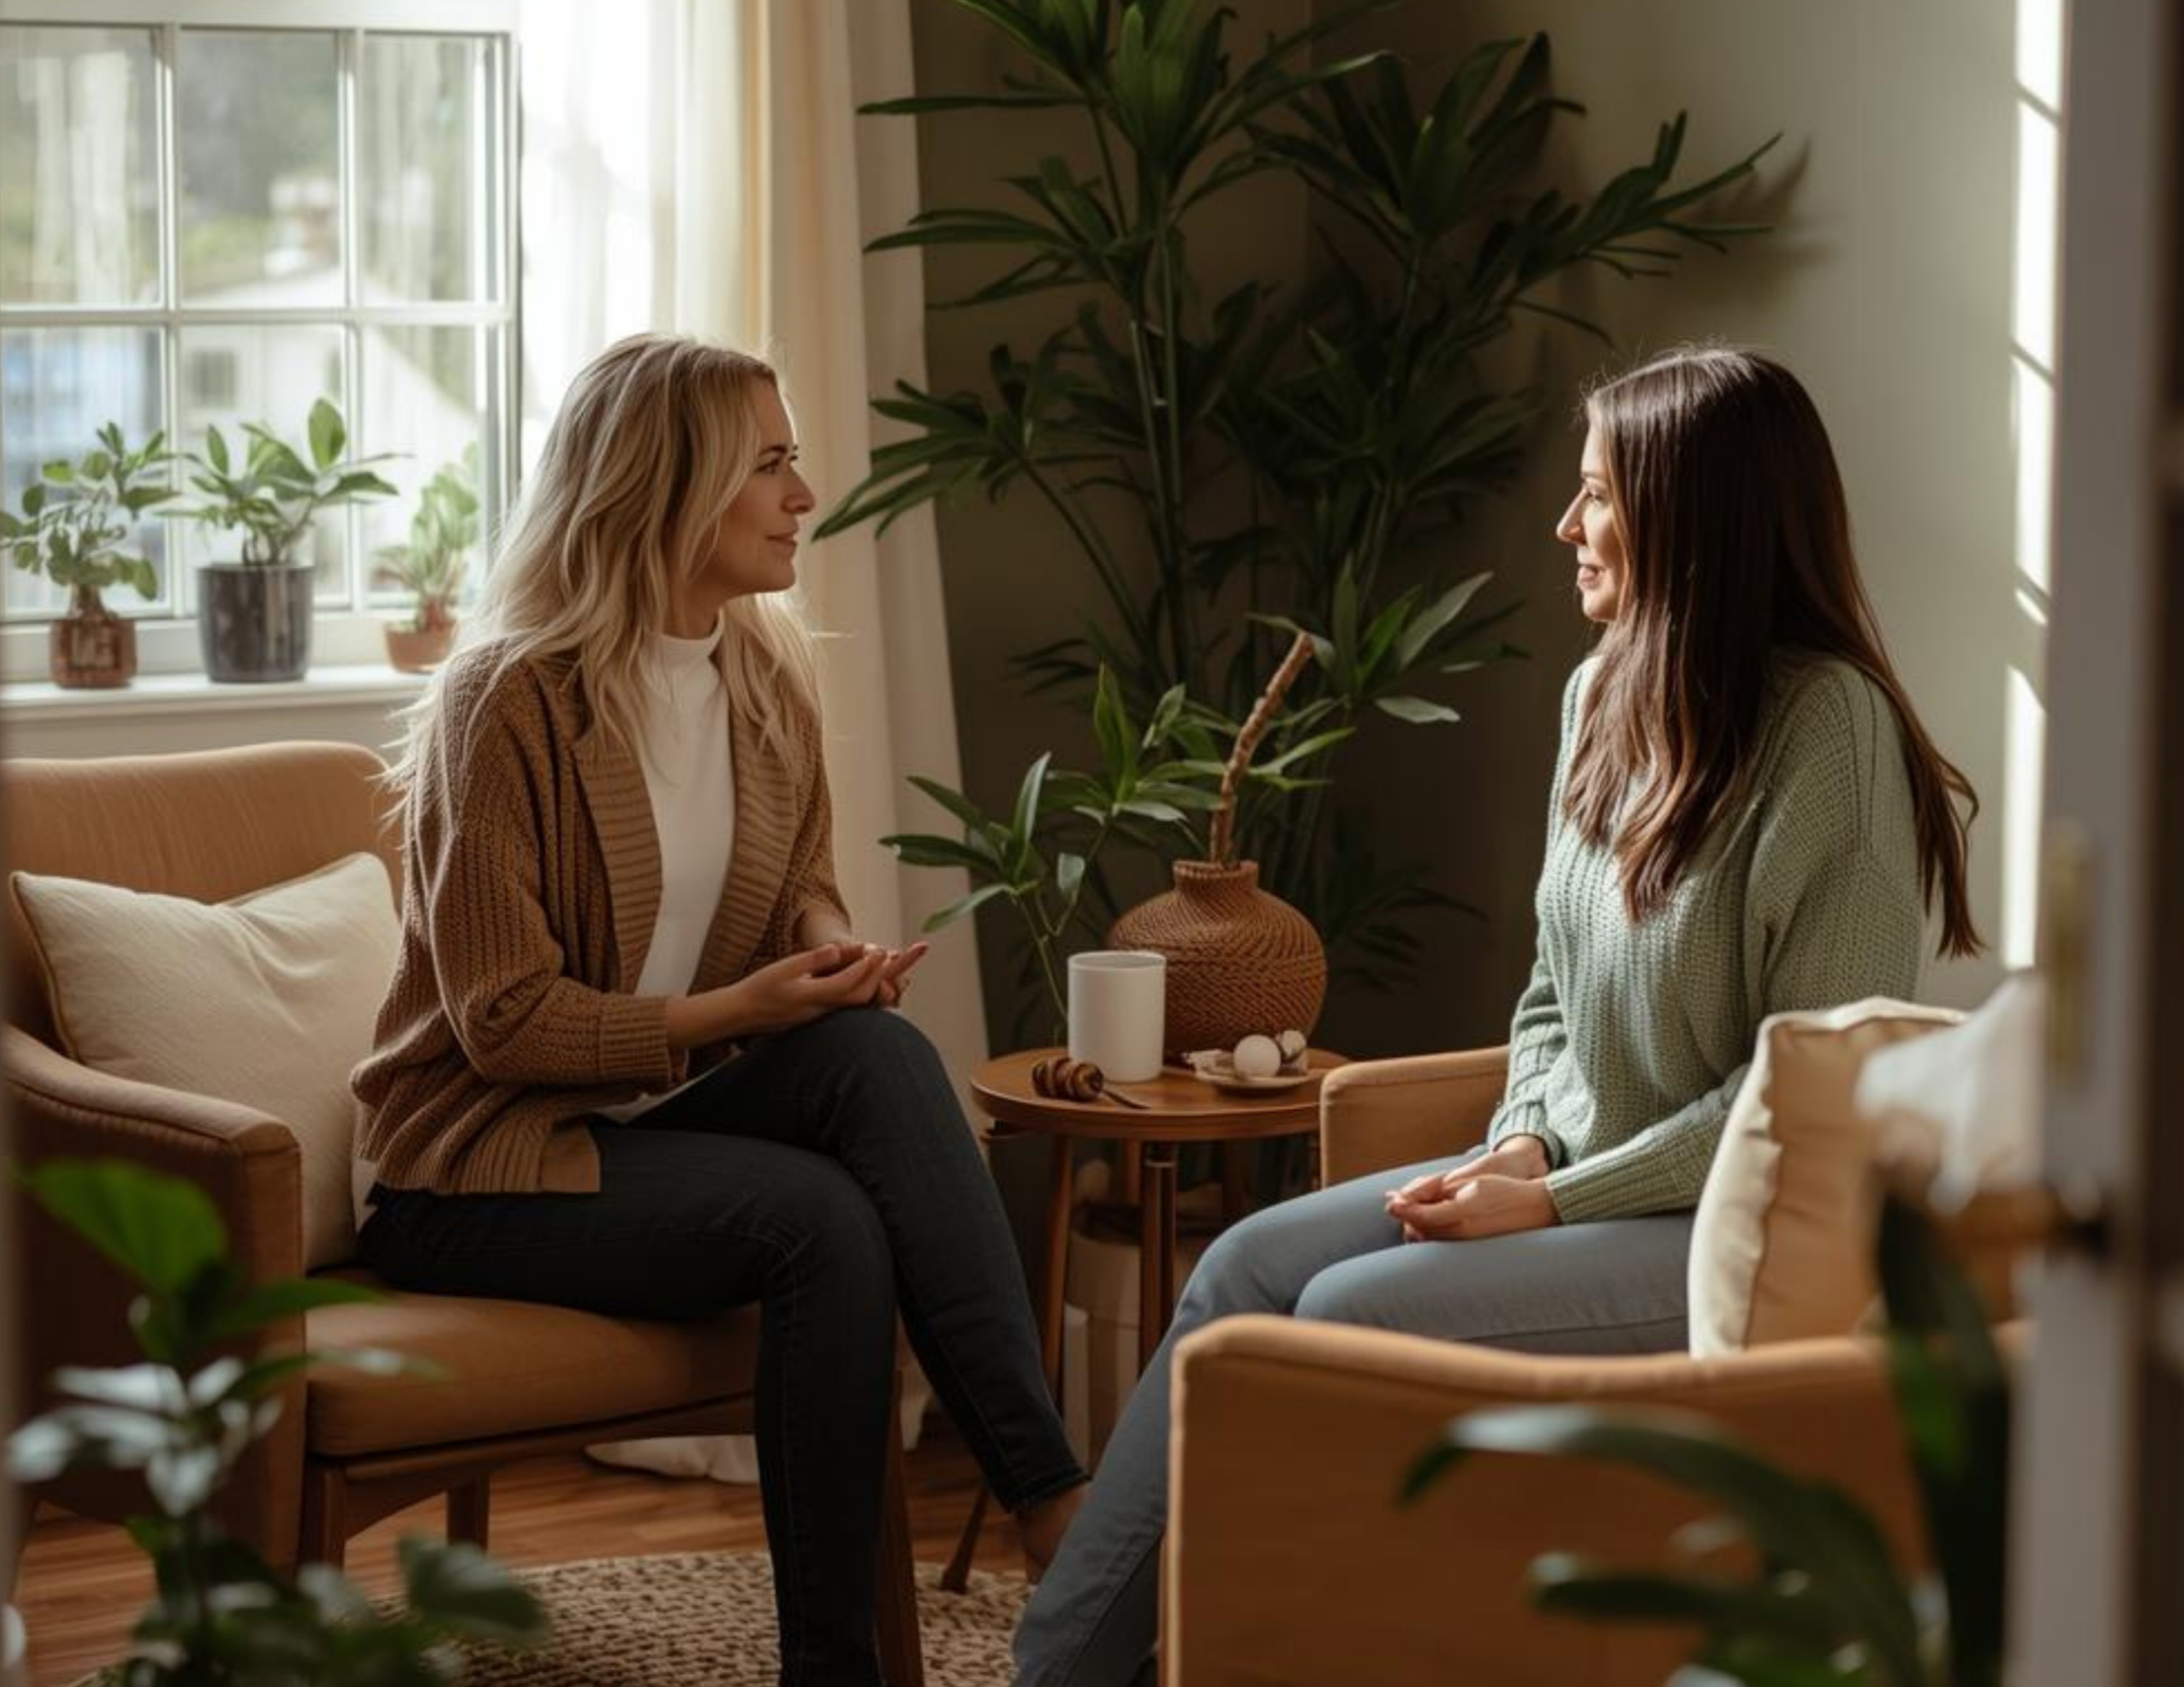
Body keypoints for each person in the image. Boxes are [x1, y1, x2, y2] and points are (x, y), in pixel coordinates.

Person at [1010, 344, 1981, 1686]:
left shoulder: (1831, 739)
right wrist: (1525, 1141)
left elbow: (1805, 1100)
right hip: (1577, 1175)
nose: (1564, 525)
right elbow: (1544, 991)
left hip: (1716, 1227)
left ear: (1689, 518)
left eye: (1593, 494)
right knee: (1239, 1270)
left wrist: (1559, 1201)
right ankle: (1052, 1673)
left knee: (1344, 1313)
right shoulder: (1602, 694)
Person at [352, 333, 1087, 1687]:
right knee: (821, 1222)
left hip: (650, 1122)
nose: (804, 494)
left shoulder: (759, 677)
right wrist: (733, 1007)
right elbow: (503, 1020)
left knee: (872, 1049)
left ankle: (1045, 1505)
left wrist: (823, 949)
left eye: (793, 460)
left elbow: (791, 884)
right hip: (475, 1163)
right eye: (771, 463)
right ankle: (926, 1606)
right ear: (665, 490)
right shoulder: (503, 700)